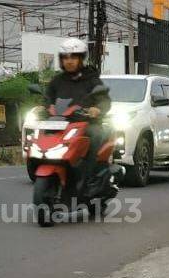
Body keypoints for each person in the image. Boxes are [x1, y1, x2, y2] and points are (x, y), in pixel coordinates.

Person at [38, 38, 111, 195]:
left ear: (80, 58)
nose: (69, 61)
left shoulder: (91, 79)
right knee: (42, 139)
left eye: (73, 57)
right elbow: (47, 98)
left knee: (95, 135)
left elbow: (104, 99)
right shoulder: (57, 81)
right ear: (61, 59)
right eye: (65, 57)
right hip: (61, 123)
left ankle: (89, 179)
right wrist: (45, 106)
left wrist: (97, 109)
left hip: (87, 123)